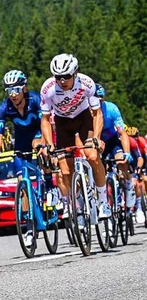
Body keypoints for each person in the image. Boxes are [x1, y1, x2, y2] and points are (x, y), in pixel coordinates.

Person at [39, 53, 111, 230]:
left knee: (93, 156)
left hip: (84, 118)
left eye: (66, 77)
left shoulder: (87, 83)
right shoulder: (47, 89)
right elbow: (45, 119)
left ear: (75, 73)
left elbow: (97, 114)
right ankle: (78, 207)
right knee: (65, 169)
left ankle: (103, 201)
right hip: (63, 123)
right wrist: (49, 143)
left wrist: (96, 138)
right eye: (58, 77)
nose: (62, 81)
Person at [0, 70, 53, 247]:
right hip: (21, 142)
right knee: (21, 182)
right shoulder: (3, 108)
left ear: (24, 88)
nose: (14, 95)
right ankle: (29, 227)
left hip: (38, 133)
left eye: (17, 90)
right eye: (9, 91)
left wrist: (43, 141)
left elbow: (45, 122)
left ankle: (50, 185)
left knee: (40, 147)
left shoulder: (35, 100)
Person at [94, 83, 137, 218]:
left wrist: (127, 152)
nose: (98, 101)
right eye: (96, 98)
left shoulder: (111, 109)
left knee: (120, 159)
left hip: (112, 141)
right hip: (98, 142)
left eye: (101, 98)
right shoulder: (88, 112)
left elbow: (122, 133)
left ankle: (129, 186)